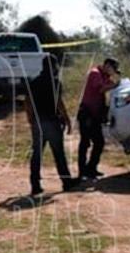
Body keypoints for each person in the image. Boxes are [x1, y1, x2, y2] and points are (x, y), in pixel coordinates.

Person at [24, 56, 79, 196]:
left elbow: (28, 102)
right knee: (59, 154)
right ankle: (66, 182)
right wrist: (67, 120)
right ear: (54, 66)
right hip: (53, 122)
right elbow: (59, 103)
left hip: (38, 123)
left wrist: (30, 119)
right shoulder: (56, 83)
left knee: (37, 155)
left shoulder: (33, 82)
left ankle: (35, 185)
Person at [77, 57, 121, 179]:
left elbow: (108, 86)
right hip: (87, 113)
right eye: (113, 69)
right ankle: (82, 172)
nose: (113, 72)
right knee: (85, 143)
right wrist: (114, 85)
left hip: (94, 114)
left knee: (99, 142)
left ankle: (91, 168)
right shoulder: (95, 73)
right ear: (107, 65)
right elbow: (101, 88)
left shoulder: (104, 76)